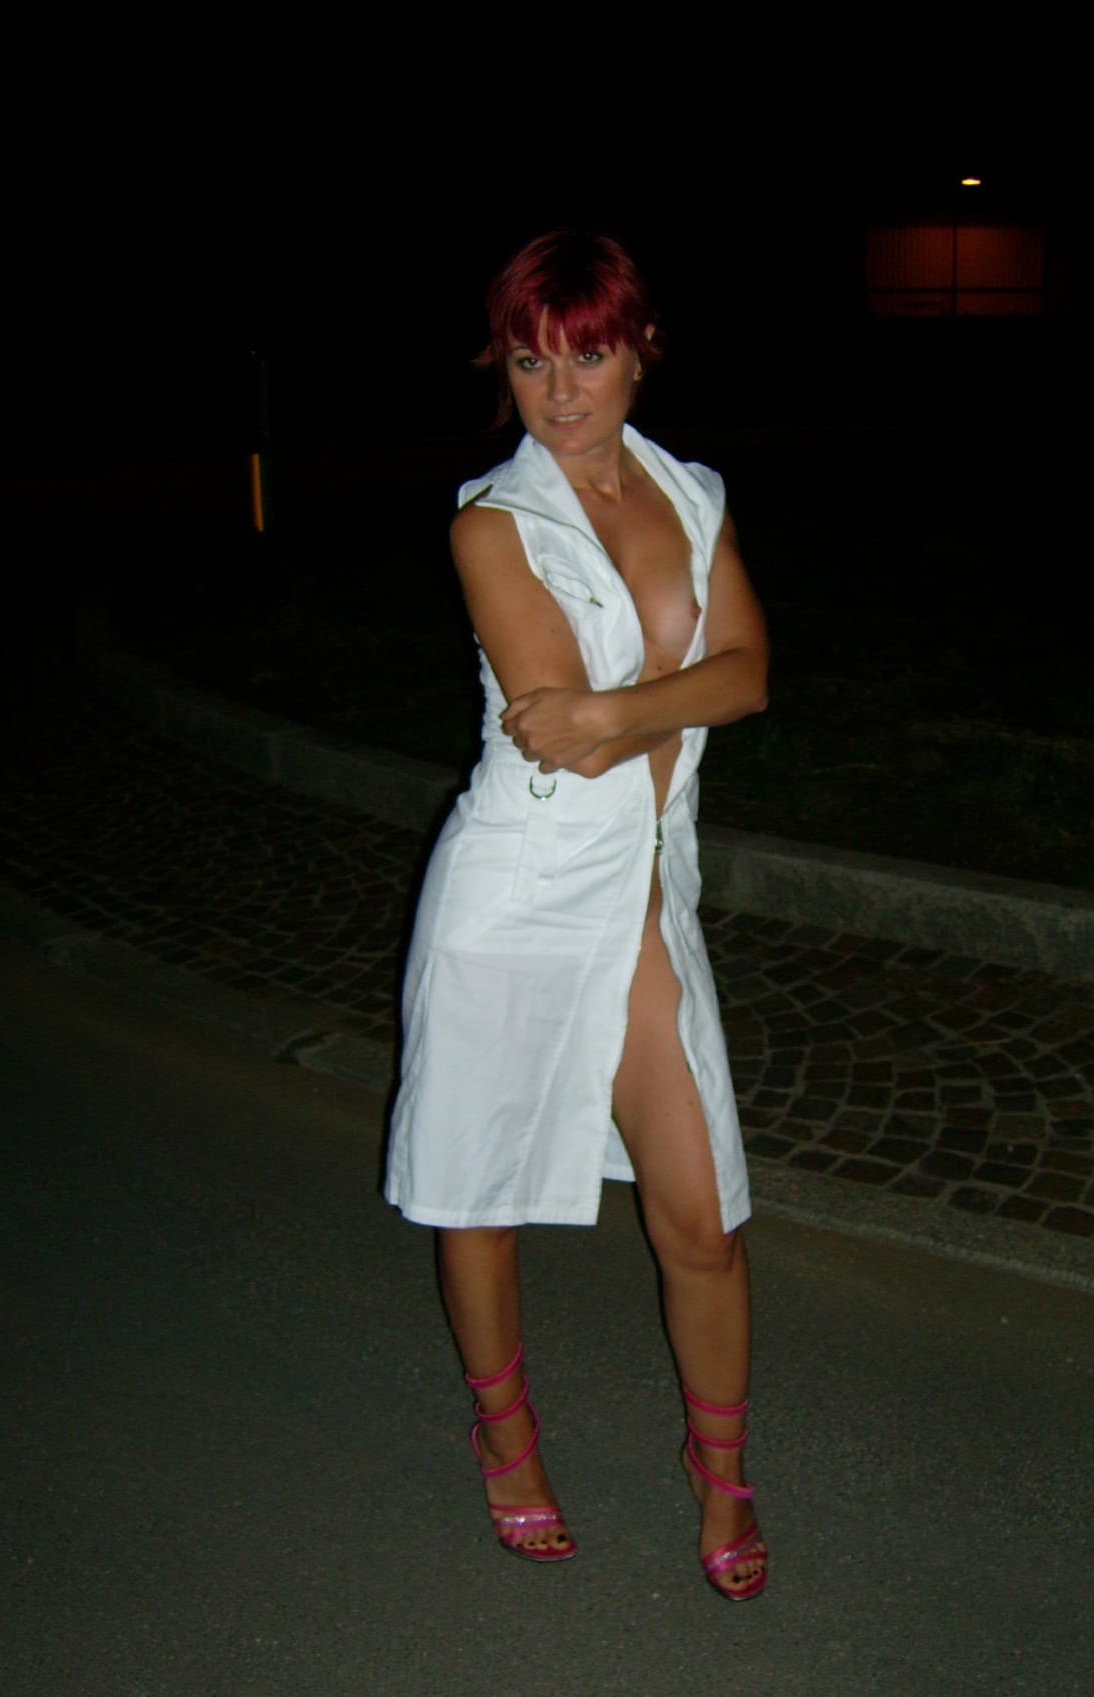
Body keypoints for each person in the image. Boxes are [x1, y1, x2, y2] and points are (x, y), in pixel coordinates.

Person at [383, 230, 770, 1601]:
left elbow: (749, 679)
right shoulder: (490, 525)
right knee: (477, 1194)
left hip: (641, 900)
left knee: (701, 1219)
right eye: (529, 362)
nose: (558, 392)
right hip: (516, 898)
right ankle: (505, 1438)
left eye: (587, 356)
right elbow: (560, 731)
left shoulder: (694, 496)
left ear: (640, 351)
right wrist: (641, 706)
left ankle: (718, 1469)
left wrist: (615, 710)